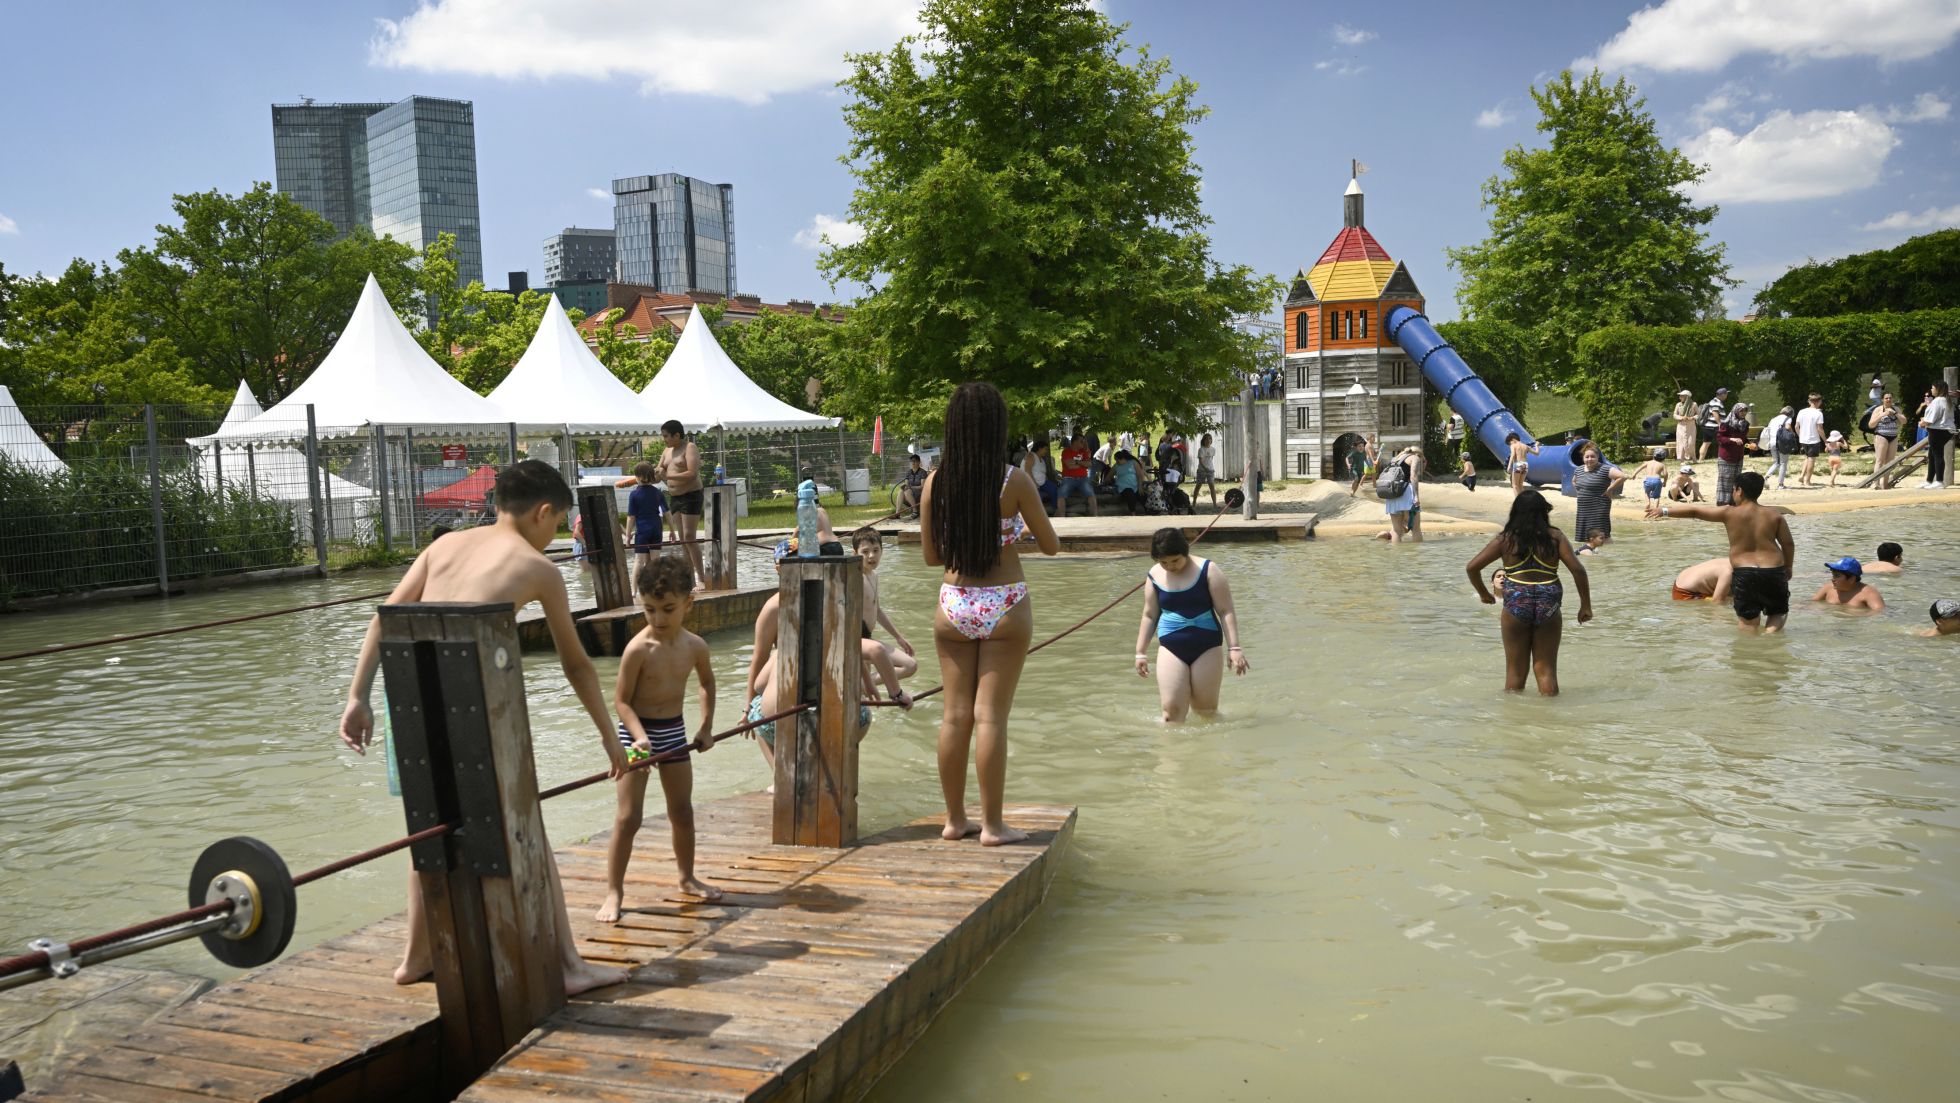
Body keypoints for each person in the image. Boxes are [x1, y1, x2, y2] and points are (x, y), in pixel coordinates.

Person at [337, 460, 628, 994]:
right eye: (559, 521)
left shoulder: (443, 547)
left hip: (410, 699)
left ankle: (416, 957)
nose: (557, 532)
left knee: (430, 827)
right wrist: (610, 737)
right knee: (529, 829)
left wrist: (357, 698)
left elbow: (385, 616)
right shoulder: (539, 568)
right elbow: (576, 664)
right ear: (544, 512)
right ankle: (568, 966)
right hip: (473, 704)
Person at [920, 381, 1061, 845]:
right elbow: (1051, 546)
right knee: (991, 719)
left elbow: (931, 557)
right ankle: (994, 826)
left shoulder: (934, 483)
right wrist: (1007, 532)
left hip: (953, 602)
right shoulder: (1013, 480)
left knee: (954, 716)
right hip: (1004, 603)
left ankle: (955, 820)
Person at [597, 556, 720, 923]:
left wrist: (706, 727)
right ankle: (614, 892)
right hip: (637, 737)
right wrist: (637, 738)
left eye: (668, 609)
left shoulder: (695, 646)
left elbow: (707, 683)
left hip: (675, 734)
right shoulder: (638, 649)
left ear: (688, 603)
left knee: (682, 812)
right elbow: (620, 701)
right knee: (628, 818)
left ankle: (686, 877)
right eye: (650, 609)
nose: (659, 619)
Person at [1465, 489, 1593, 695]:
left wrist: (1484, 594)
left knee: (1515, 673)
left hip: (1516, 603)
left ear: (1515, 512)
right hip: (1548, 603)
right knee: (1546, 671)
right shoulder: (1555, 537)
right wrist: (1585, 605)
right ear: (1543, 512)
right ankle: (1550, 721)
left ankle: (1514, 723)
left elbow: (1472, 567)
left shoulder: (1506, 539)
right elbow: (1578, 570)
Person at [1648, 470, 1795, 633]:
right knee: (1777, 612)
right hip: (1773, 570)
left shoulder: (1729, 512)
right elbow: (1788, 544)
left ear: (1739, 491)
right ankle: (1770, 638)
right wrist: (1788, 567)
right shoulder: (1774, 515)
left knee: (1748, 622)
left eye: (1733, 490)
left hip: (1745, 572)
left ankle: (1750, 655)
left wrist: (1665, 511)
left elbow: (1695, 512)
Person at [1132, 527, 1249, 722]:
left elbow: (1225, 610)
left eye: (1175, 560)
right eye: (1163, 562)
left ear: (1185, 552)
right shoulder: (1154, 575)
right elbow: (1150, 615)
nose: (1170, 566)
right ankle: (1171, 752)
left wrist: (1234, 648)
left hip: (1207, 648)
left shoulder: (1208, 570)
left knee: (1206, 712)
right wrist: (1140, 653)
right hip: (1171, 648)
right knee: (1171, 713)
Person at [853, 527, 918, 682]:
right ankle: (861, 686)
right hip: (856, 640)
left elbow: (878, 611)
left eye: (876, 550)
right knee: (909, 665)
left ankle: (862, 686)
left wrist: (898, 637)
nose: (871, 555)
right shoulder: (856, 578)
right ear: (855, 554)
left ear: (882, 551)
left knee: (909, 665)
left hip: (868, 637)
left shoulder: (873, 576)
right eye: (865, 551)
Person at [655, 421, 708, 588]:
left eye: (666, 436)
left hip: (691, 495)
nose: (664, 439)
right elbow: (659, 473)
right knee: (683, 540)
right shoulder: (666, 451)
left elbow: (692, 474)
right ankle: (690, 579)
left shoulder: (690, 447)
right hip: (675, 497)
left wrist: (668, 476)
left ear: (676, 435)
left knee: (690, 537)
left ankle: (702, 578)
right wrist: (651, 473)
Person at [1570, 444, 1623, 542]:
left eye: (1592, 456)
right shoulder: (1579, 470)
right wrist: (1579, 491)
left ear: (1598, 457)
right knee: (1586, 536)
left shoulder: (1605, 469)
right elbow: (1573, 481)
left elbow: (1622, 477)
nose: (1589, 459)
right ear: (1583, 458)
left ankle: (1607, 554)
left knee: (1601, 535)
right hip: (1583, 509)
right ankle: (1590, 555)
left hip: (1599, 506)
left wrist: (1609, 489)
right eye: (1587, 457)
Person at [624, 460, 667, 579]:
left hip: (642, 530)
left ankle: (634, 591)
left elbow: (631, 517)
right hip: (657, 528)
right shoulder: (658, 493)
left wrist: (628, 535)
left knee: (639, 561)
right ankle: (656, 588)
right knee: (655, 561)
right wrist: (673, 531)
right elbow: (666, 512)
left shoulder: (634, 494)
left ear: (638, 477)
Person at [1380, 444, 1424, 544]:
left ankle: (1397, 556)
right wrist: (1416, 496)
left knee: (1396, 530)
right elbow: (1413, 476)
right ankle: (1417, 555)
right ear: (1418, 454)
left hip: (1392, 494)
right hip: (1406, 492)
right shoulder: (1414, 457)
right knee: (1416, 529)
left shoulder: (1395, 459)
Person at [1811, 556, 1885, 612]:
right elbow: (1812, 604)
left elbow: (1879, 613)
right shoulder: (1828, 588)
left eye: (1837, 576)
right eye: (1833, 575)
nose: (1833, 579)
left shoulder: (1868, 593)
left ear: (1851, 579)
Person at [1918, 381, 1953, 489]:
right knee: (1932, 455)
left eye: (1932, 388)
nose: (1931, 390)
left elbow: (1932, 418)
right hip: (1946, 430)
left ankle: (1939, 481)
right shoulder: (1947, 400)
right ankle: (1929, 480)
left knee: (1937, 455)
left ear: (1938, 389)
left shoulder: (1937, 401)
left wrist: (1922, 423)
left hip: (1938, 430)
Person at [1714, 403, 1750, 505]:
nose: (1743, 413)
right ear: (1736, 411)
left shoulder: (1745, 424)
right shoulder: (1726, 423)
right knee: (1726, 480)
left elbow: (1743, 439)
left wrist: (1750, 444)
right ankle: (1723, 502)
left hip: (1738, 456)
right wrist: (1732, 439)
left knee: (1737, 480)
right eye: (1741, 411)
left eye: (1745, 411)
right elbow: (1720, 438)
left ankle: (1734, 502)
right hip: (1726, 456)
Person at [1057, 433, 1097, 518]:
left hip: (1083, 478)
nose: (1083, 443)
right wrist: (1083, 464)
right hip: (1069, 478)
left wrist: (1077, 462)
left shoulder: (1083, 452)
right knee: (1061, 493)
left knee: (1090, 492)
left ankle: (1095, 516)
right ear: (1074, 442)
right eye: (1081, 441)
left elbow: (1089, 464)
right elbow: (1070, 466)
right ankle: (1062, 517)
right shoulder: (1066, 451)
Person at [1867, 393, 1902, 482]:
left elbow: (1904, 421)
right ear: (1882, 399)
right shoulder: (1878, 409)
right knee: (1880, 460)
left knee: (1890, 462)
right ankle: (1876, 483)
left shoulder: (1896, 409)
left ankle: (1885, 484)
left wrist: (1895, 413)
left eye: (1890, 398)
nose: (1888, 400)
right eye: (1886, 398)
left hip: (1893, 436)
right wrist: (1883, 414)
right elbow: (1871, 425)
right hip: (1881, 435)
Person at [1794, 393, 1826, 489]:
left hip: (1803, 439)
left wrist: (1800, 435)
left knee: (1807, 457)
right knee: (1811, 459)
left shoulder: (1801, 411)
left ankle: (1802, 476)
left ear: (1809, 401)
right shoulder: (1818, 413)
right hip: (1813, 439)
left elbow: (1796, 426)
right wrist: (1825, 440)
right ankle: (1808, 480)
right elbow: (1820, 429)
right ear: (1818, 402)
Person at [1763, 405, 1796, 489]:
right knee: (1783, 463)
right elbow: (1788, 427)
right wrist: (1792, 433)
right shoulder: (1787, 418)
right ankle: (1780, 485)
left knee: (1776, 462)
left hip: (1772, 442)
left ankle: (1765, 478)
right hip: (1782, 443)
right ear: (1790, 413)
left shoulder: (1773, 419)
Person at [1024, 438, 1057, 514]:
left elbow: (1042, 473)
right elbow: (1027, 470)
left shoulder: (1042, 459)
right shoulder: (1031, 455)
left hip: (1042, 483)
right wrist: (1034, 484)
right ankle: (1039, 514)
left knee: (1054, 489)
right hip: (1031, 483)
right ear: (1040, 448)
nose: (1046, 451)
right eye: (1045, 449)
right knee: (1039, 497)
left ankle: (1054, 509)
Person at [1697, 387, 1728, 460]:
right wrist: (1720, 424)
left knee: (1706, 443)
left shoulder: (1713, 401)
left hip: (1707, 426)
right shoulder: (1716, 402)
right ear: (1722, 395)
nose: (1727, 395)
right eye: (1726, 394)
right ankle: (1723, 458)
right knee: (1722, 442)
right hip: (1714, 427)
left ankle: (1701, 460)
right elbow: (1715, 412)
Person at [1193, 432, 1219, 508]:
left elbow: (1211, 459)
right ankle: (1194, 502)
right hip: (1201, 471)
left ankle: (1215, 504)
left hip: (1210, 470)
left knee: (1212, 486)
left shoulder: (1213, 449)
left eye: (1209, 439)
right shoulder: (1201, 449)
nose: (1208, 441)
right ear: (1203, 440)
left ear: (1211, 441)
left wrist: (1209, 468)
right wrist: (1205, 468)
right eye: (1206, 439)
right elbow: (1200, 461)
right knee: (1198, 486)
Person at [897, 453, 928, 518]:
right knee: (901, 491)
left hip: (920, 493)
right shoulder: (909, 472)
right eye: (911, 461)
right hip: (910, 493)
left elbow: (922, 486)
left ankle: (915, 511)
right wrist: (904, 486)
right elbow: (906, 484)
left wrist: (910, 487)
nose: (913, 463)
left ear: (919, 462)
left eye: (915, 461)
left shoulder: (923, 472)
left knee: (907, 491)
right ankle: (897, 513)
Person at [1672, 389, 1699, 461]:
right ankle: (1682, 459)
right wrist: (1681, 418)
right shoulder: (1678, 405)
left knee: (1690, 443)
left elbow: (1698, 415)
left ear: (1687, 397)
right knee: (1681, 443)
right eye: (1680, 396)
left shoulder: (1694, 404)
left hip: (1691, 426)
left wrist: (1691, 418)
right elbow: (1674, 415)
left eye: (1682, 396)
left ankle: (1693, 458)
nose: (1680, 398)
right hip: (1681, 426)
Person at [1113, 449, 1143, 514]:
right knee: (1130, 493)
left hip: (1135, 486)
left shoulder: (1133, 462)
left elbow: (1139, 475)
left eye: (1117, 460)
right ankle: (1133, 513)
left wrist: (1140, 487)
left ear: (1123, 458)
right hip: (1123, 487)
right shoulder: (1116, 466)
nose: (1116, 461)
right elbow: (1109, 476)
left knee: (1142, 495)